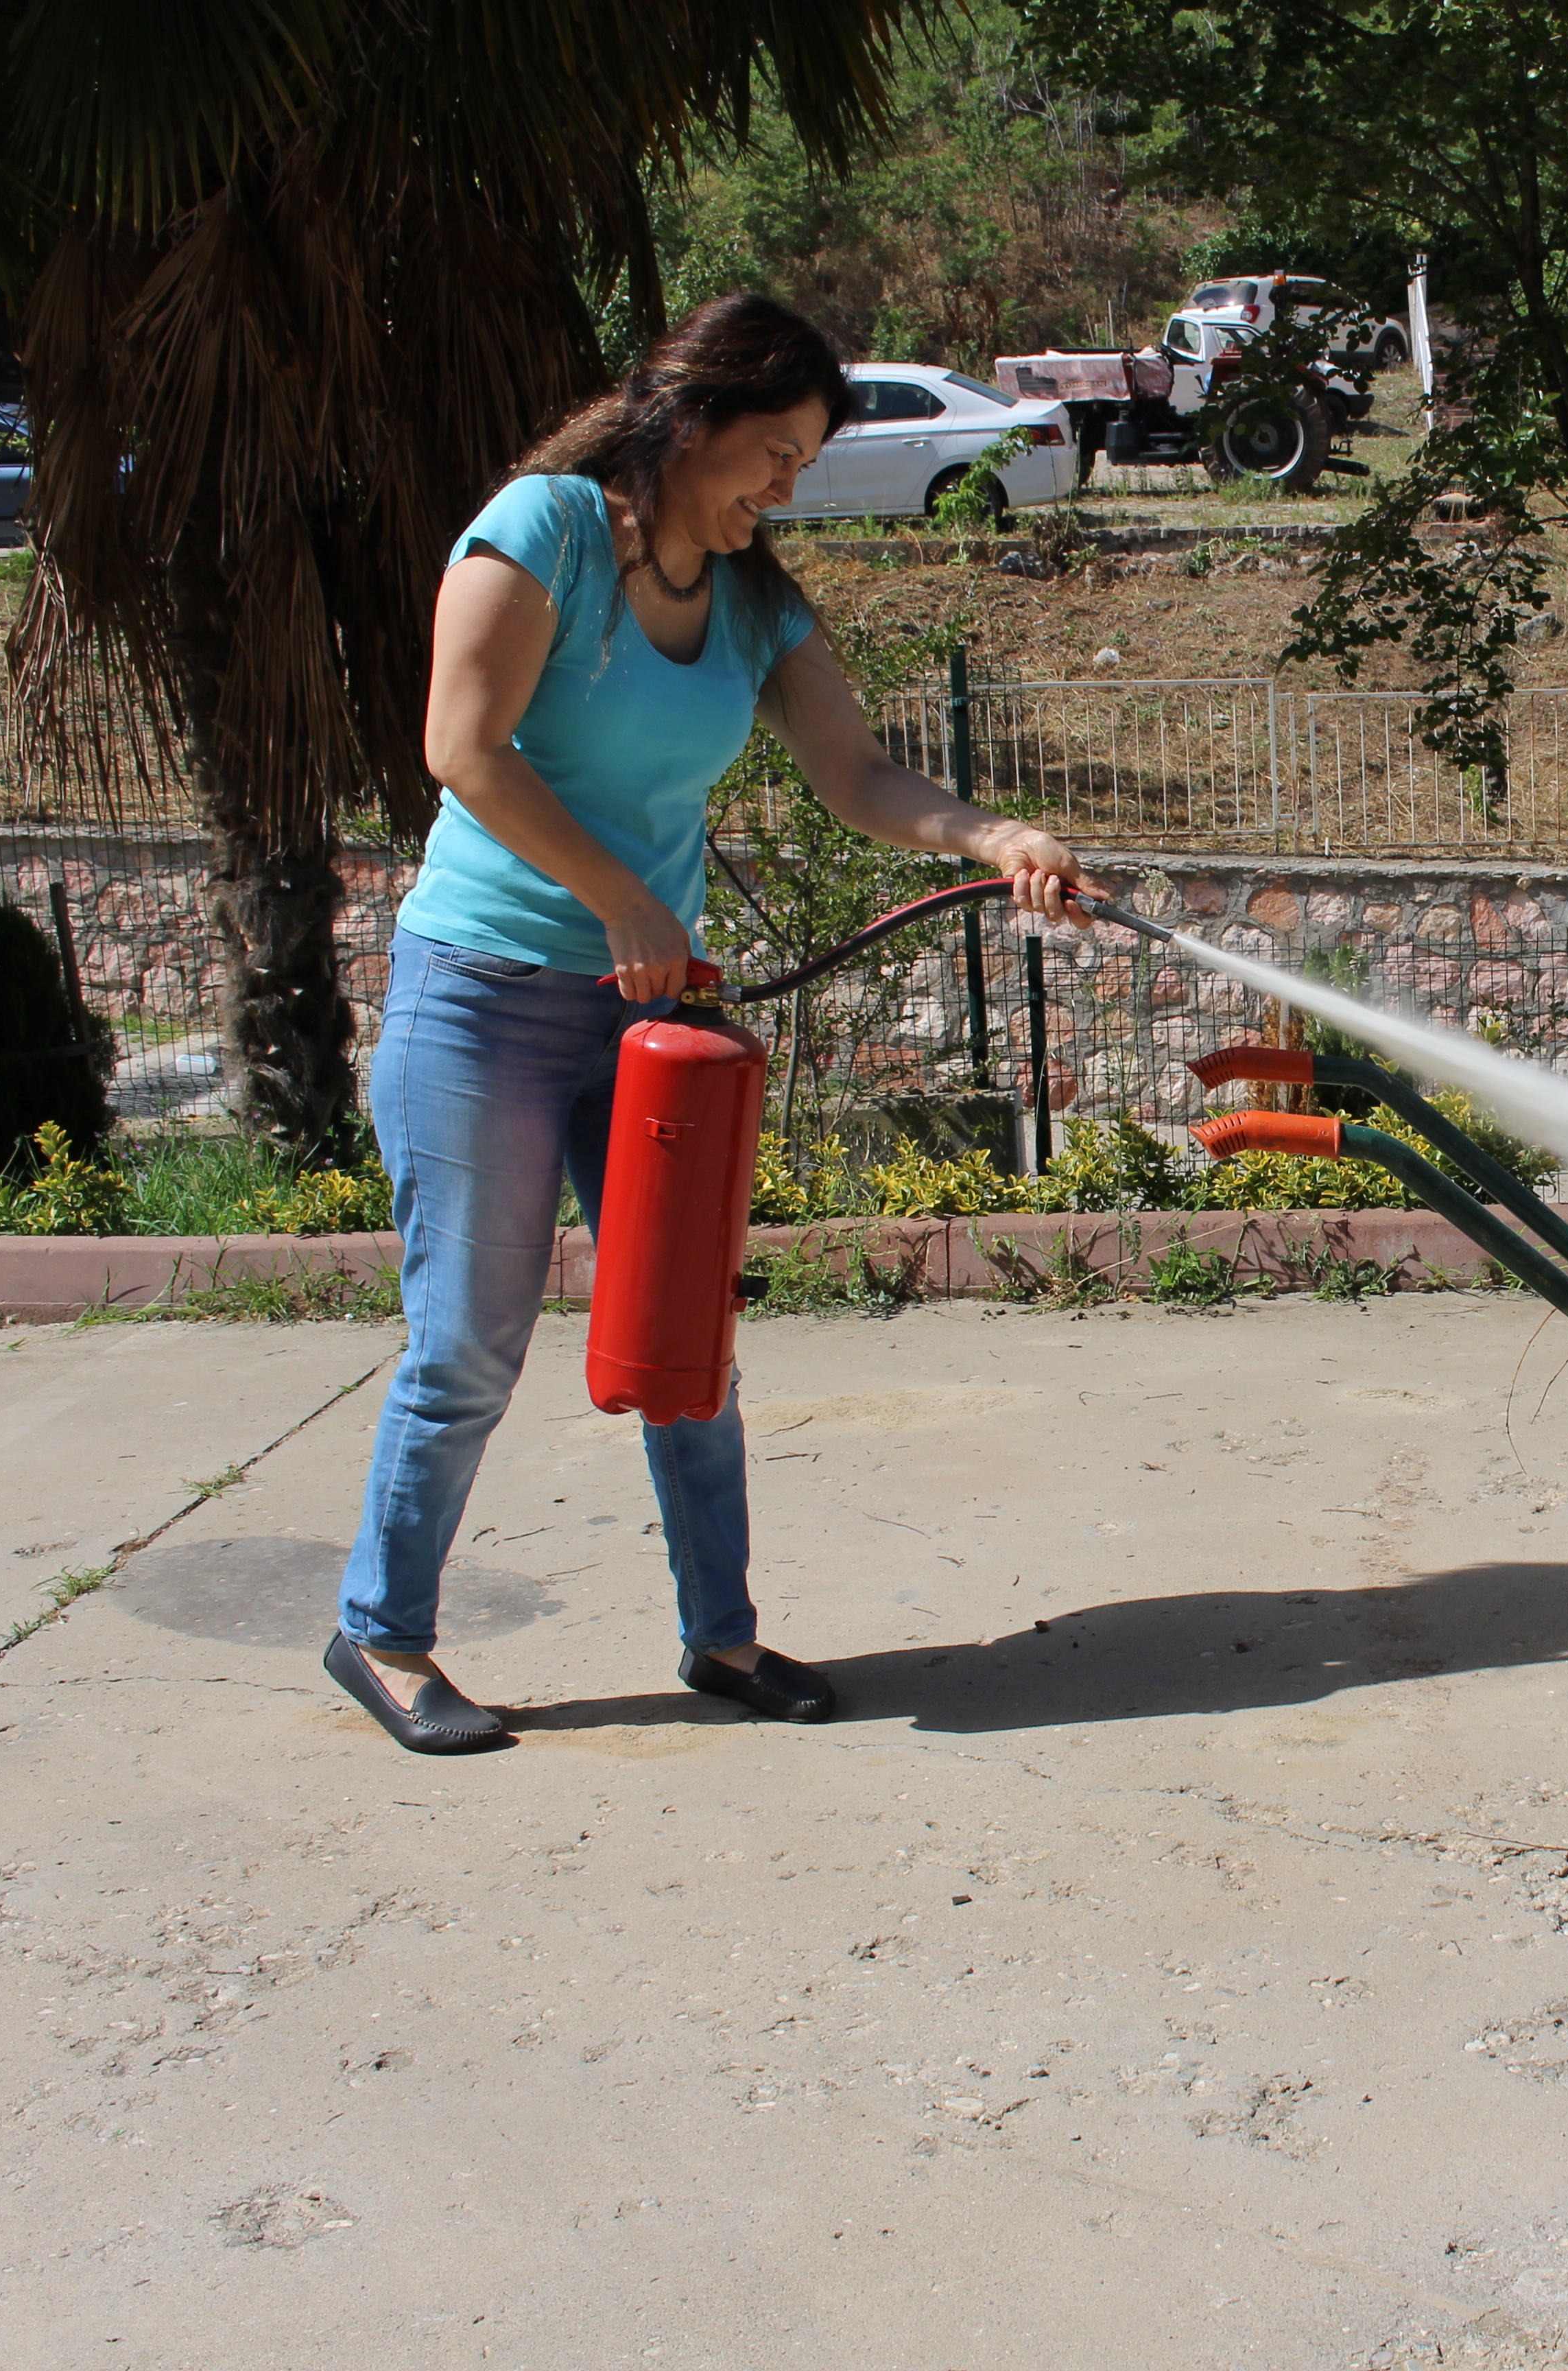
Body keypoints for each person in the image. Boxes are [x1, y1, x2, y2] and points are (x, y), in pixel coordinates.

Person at [326, 293, 1085, 1756]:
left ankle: (720, 1637)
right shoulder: (542, 529)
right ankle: (384, 1635)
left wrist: (992, 833)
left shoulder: (754, 604)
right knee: (472, 1346)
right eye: (775, 454)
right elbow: (461, 748)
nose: (785, 489)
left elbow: (857, 779)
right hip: (481, 996)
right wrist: (620, 896)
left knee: (687, 1340)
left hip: (647, 1019)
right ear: (693, 420)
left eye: (803, 463)